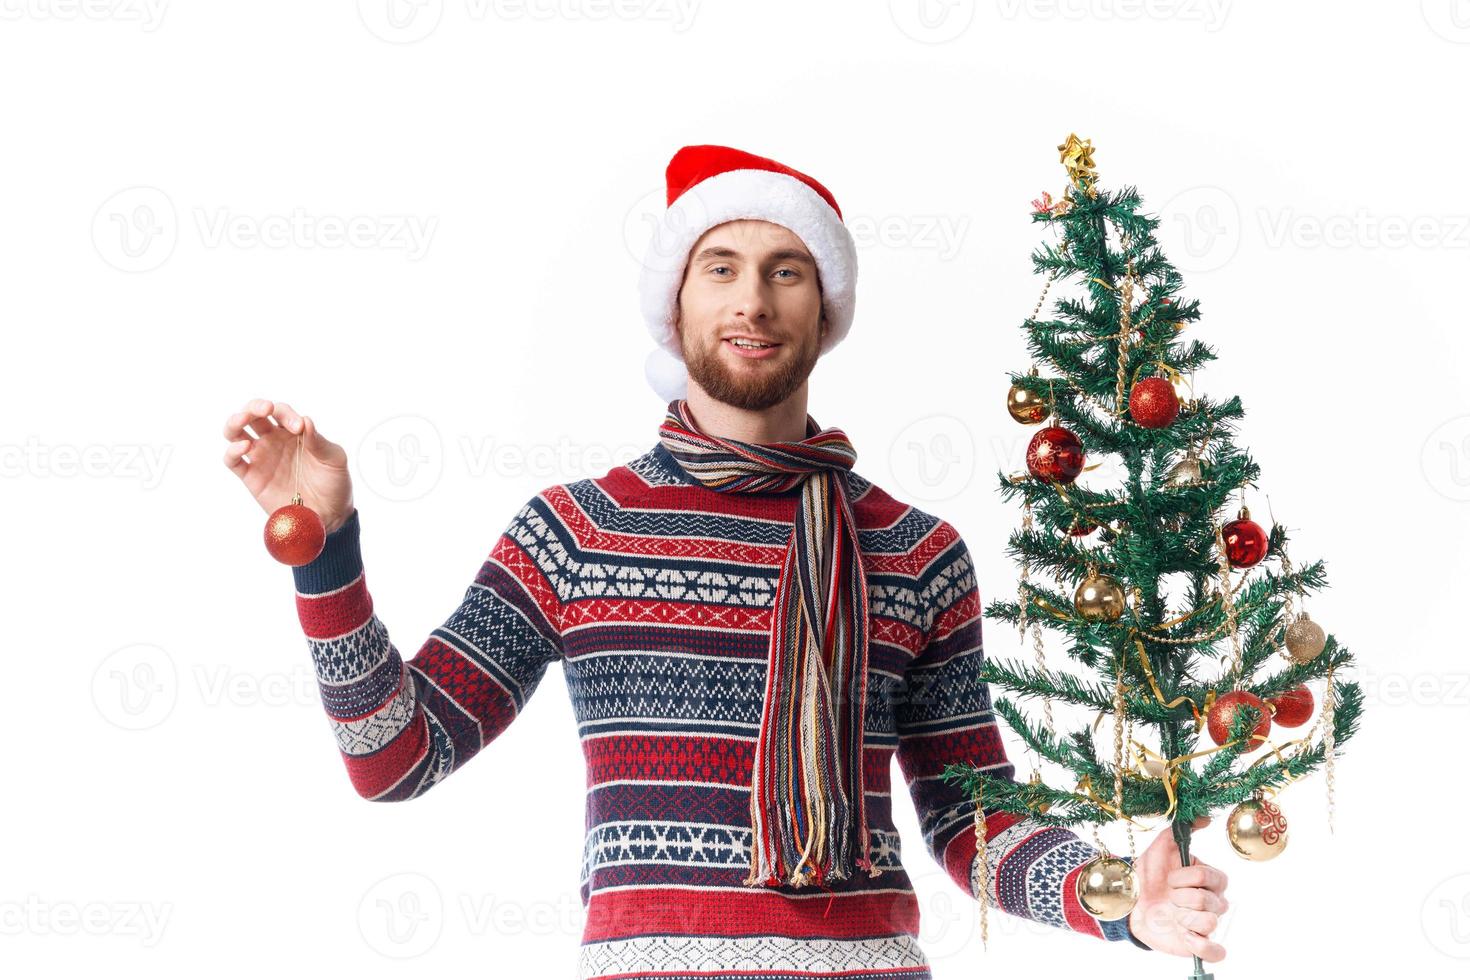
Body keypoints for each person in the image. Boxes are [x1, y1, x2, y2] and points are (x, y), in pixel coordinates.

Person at [222, 144, 1229, 979]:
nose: (754, 299)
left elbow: (974, 819)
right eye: (722, 267)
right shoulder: (578, 530)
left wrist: (1118, 903)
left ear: (825, 308)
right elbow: (396, 756)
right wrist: (326, 553)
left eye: (786, 269)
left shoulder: (914, 550)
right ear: (677, 303)